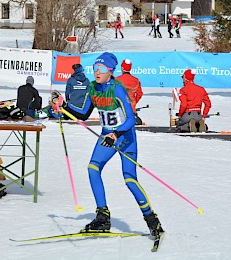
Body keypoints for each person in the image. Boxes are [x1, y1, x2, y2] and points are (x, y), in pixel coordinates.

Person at [52, 52, 163, 237]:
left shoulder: (117, 89)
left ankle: (152, 220)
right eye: (95, 68)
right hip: (106, 136)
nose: (97, 72)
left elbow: (131, 119)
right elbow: (83, 113)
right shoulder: (93, 88)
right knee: (92, 168)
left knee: (129, 180)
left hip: (125, 137)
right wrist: (64, 107)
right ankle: (102, 217)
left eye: (101, 69)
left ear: (110, 72)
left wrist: (116, 133)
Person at [116, 59, 144, 125]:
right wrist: (134, 101)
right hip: (132, 111)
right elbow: (140, 94)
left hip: (118, 112)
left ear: (122, 68)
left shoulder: (116, 80)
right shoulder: (136, 80)